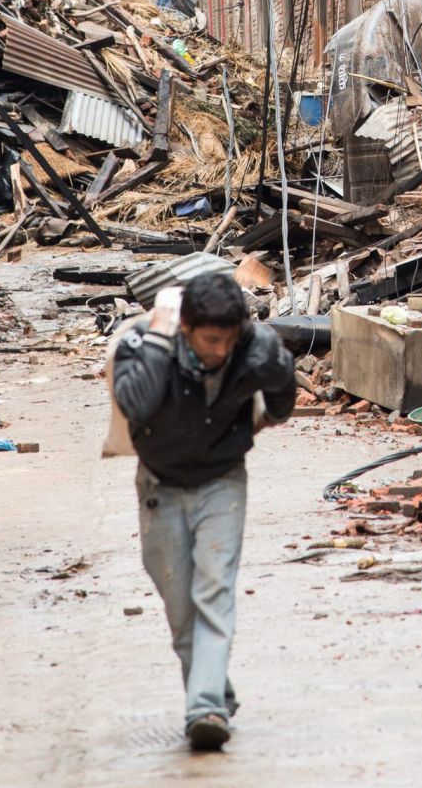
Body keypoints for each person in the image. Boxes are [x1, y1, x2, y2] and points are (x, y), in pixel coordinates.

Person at [112, 272, 295, 751]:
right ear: (186, 327)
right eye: (212, 340)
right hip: (160, 485)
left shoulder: (256, 349)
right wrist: (159, 339)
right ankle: (215, 691)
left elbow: (284, 389)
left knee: (213, 590)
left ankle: (205, 707)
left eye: (229, 339)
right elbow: (135, 404)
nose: (221, 351)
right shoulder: (142, 344)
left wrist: (261, 421)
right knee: (181, 608)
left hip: (222, 481)